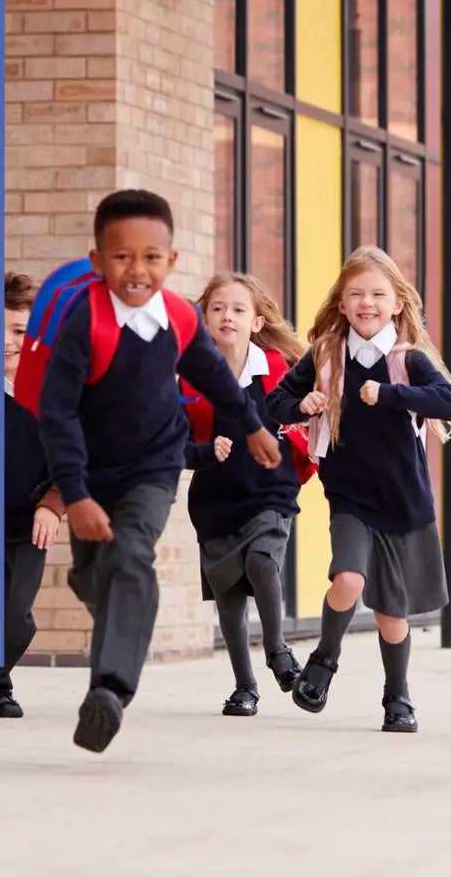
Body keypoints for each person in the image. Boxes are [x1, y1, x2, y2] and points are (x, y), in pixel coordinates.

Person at [36, 189, 283, 753]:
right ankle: (120, 608)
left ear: (171, 261)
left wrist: (251, 424)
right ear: (97, 261)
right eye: (122, 257)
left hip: (154, 464)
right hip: (91, 471)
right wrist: (73, 494)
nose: (137, 269)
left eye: (152, 257)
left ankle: (109, 690)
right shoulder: (83, 322)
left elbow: (215, 376)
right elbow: (57, 413)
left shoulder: (176, 316)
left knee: (130, 555)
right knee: (92, 575)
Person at [265, 246, 451, 733]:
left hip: (403, 500)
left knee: (389, 613)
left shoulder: (407, 359)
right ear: (340, 303)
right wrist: (303, 405)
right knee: (349, 580)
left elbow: (450, 402)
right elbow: (275, 402)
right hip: (350, 496)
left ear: (397, 302)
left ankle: (397, 698)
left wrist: (391, 395)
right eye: (355, 294)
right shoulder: (325, 356)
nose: (367, 303)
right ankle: (324, 661)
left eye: (378, 294)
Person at [180, 272, 308, 716]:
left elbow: (304, 421)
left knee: (260, 559)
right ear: (204, 318)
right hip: (215, 496)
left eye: (238, 309)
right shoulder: (189, 376)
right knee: (229, 597)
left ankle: (277, 650)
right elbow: (172, 442)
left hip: (271, 489)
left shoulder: (277, 369)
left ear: (256, 321)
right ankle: (244, 687)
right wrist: (202, 452)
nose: (227, 316)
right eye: (217, 308)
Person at [0, 273, 67, 718]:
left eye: (19, 331)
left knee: (16, 616)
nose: (7, 342)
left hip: (26, 517)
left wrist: (53, 504)